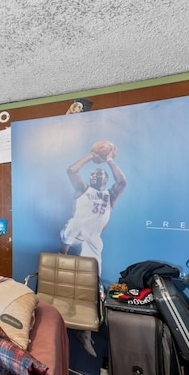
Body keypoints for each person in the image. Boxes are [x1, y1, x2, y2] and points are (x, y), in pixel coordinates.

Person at [60, 144, 127, 356]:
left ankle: (85, 333)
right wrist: (91, 156)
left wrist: (109, 160)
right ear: (90, 178)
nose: (98, 176)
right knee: (67, 288)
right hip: (72, 240)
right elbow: (71, 170)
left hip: (92, 243)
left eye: (102, 175)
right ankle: (60, 328)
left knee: (91, 290)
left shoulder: (110, 196)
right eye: (95, 174)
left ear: (106, 180)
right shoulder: (82, 190)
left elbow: (122, 181)